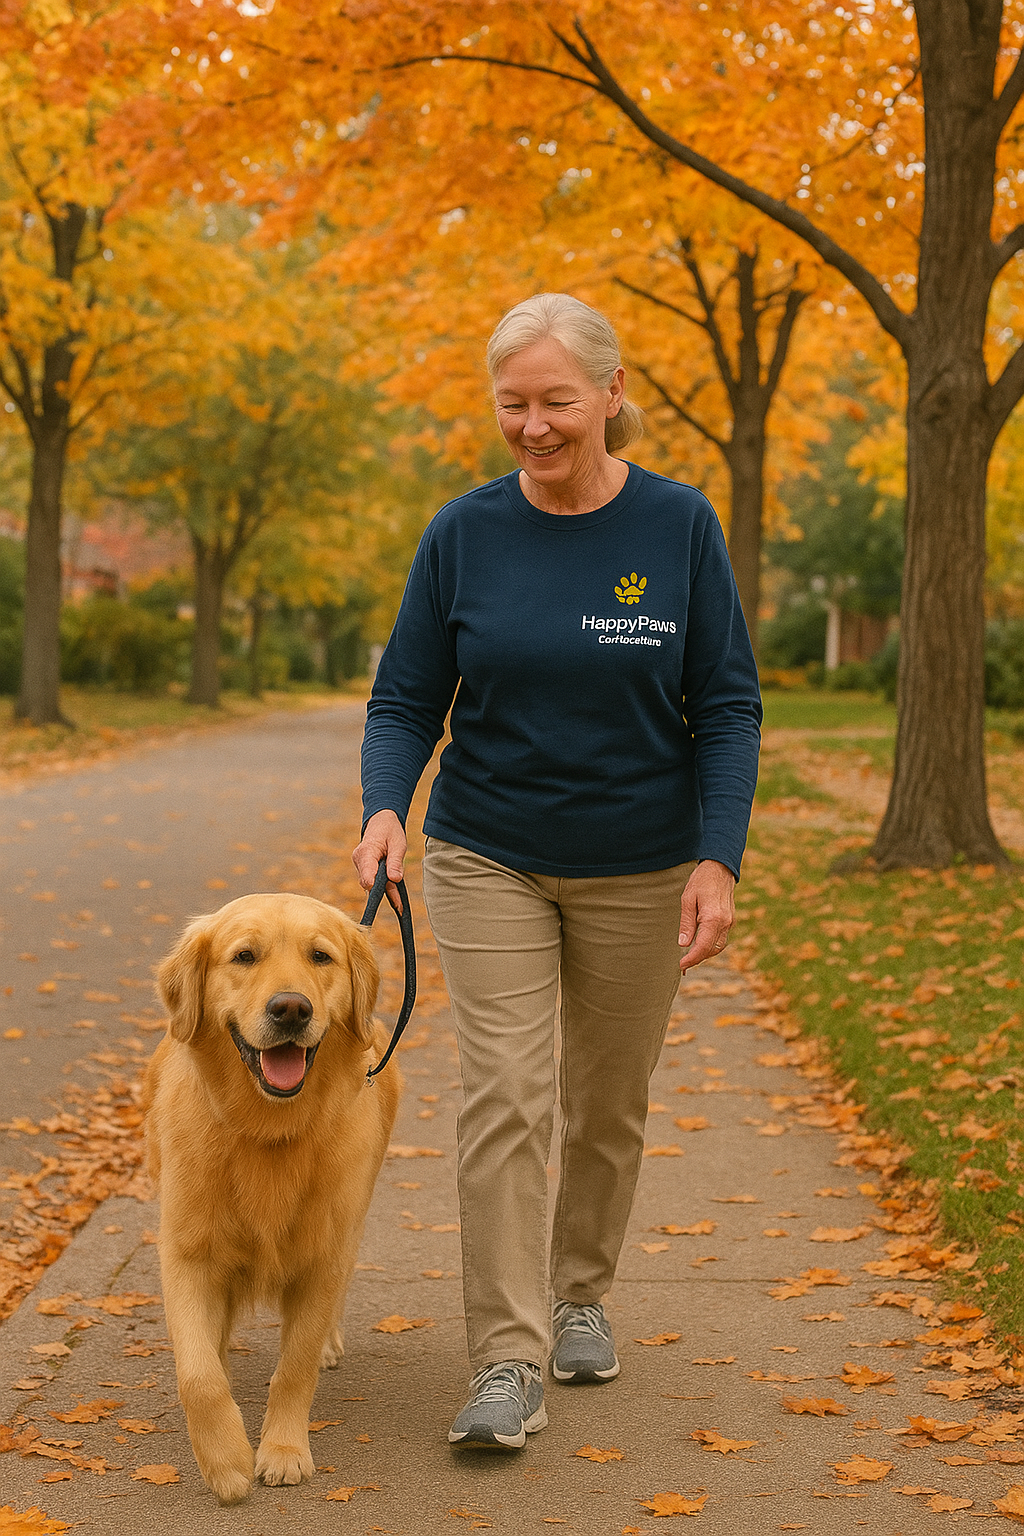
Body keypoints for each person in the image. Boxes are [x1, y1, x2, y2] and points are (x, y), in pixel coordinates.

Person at [353, 292, 761, 1452]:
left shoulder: (677, 528)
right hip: (491, 850)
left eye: (555, 402)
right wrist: (385, 806)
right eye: (512, 405)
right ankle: (505, 1359)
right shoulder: (463, 532)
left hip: (640, 859)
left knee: (606, 1101)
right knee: (504, 1100)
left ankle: (581, 1289)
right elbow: (406, 698)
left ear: (612, 393)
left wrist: (714, 859)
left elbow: (726, 705)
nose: (532, 427)